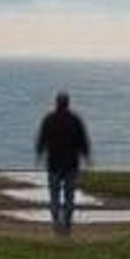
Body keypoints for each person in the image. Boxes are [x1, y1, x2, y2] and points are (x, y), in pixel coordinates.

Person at [35, 91, 91, 234]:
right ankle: (67, 223)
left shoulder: (49, 119)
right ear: (68, 103)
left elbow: (42, 139)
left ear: (56, 103)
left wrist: (39, 154)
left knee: (54, 196)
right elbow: (83, 140)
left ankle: (56, 222)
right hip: (71, 163)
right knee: (69, 196)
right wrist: (86, 156)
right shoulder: (75, 120)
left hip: (53, 163)